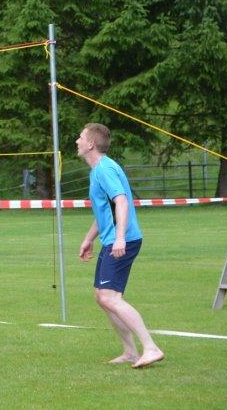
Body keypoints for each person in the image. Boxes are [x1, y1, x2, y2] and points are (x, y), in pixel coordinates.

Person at [76, 123, 164, 369]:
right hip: (112, 239)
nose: (77, 141)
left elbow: (122, 202)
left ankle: (151, 347)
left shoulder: (104, 169)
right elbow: (106, 211)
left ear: (91, 144)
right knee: (102, 296)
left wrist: (120, 238)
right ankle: (130, 352)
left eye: (80, 137)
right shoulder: (98, 170)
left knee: (110, 297)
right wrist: (89, 238)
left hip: (123, 240)